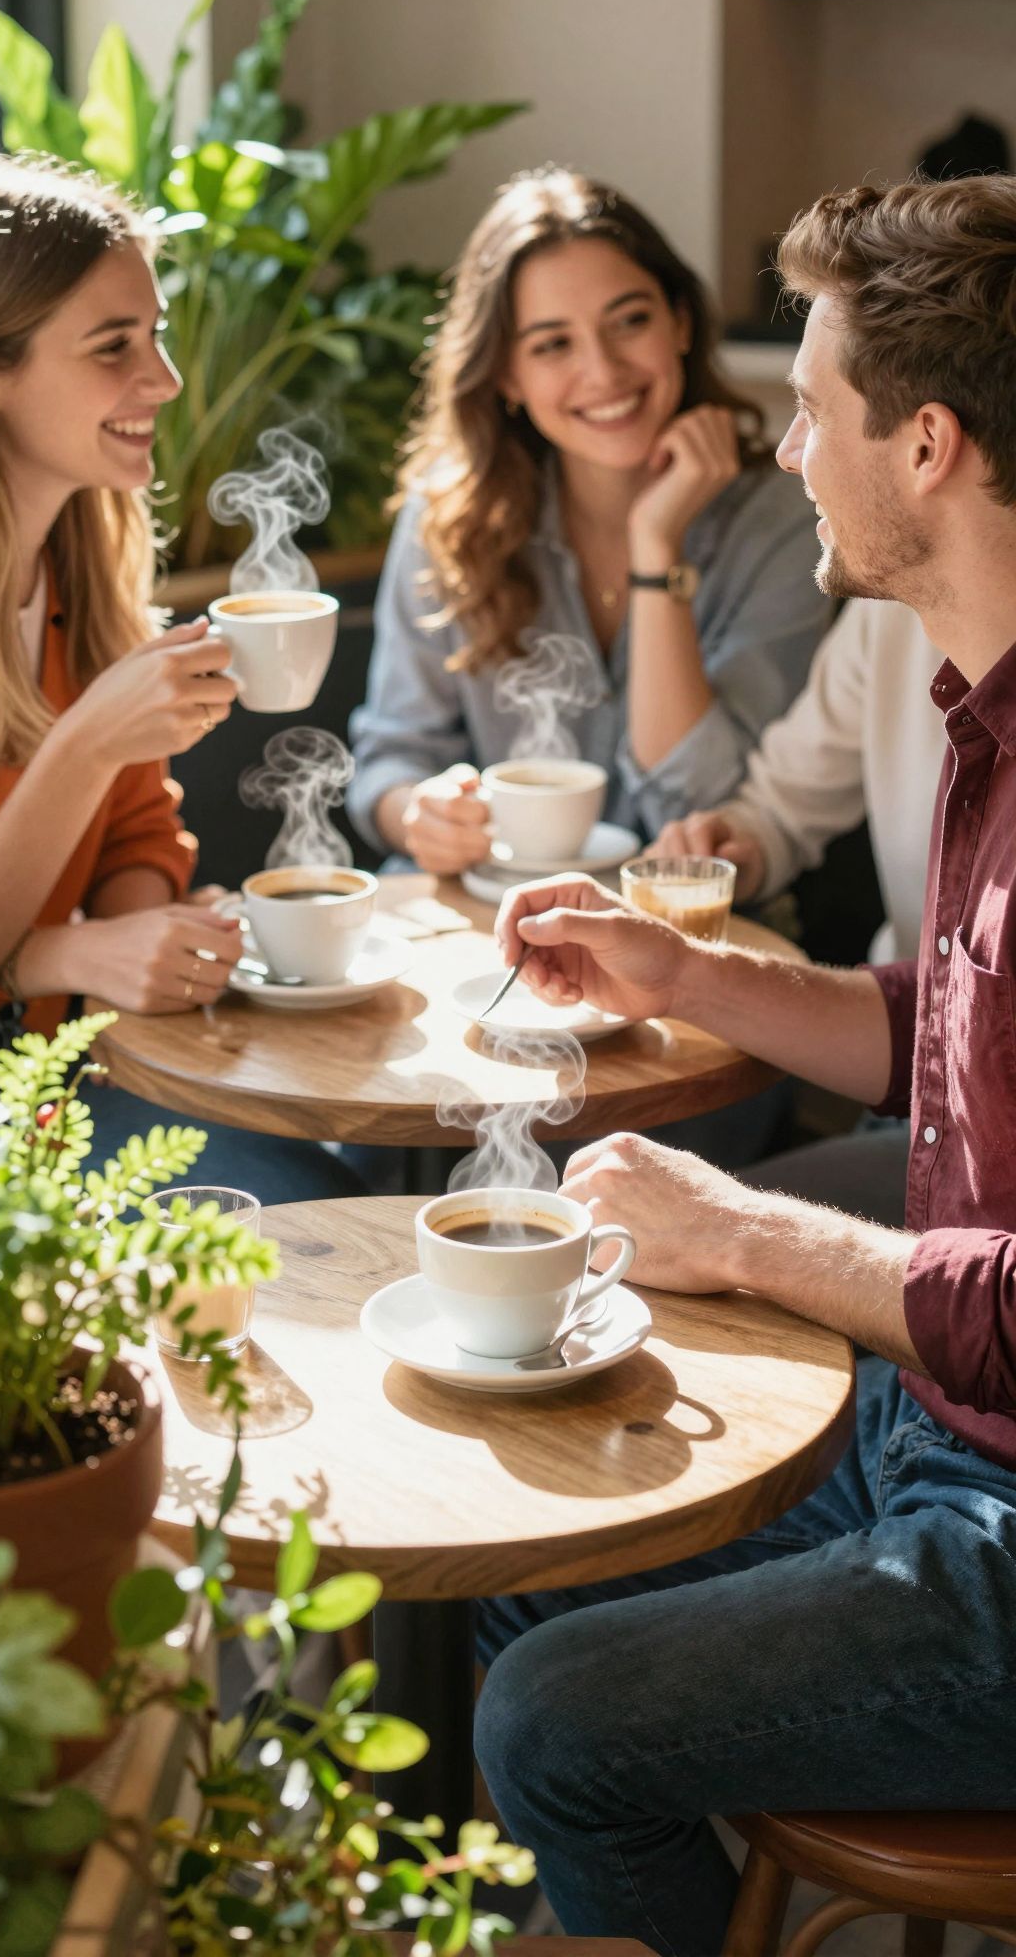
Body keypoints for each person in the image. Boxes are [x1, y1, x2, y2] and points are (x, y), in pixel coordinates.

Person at [474, 175, 1016, 1957]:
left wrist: (751, 1237)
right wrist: (681, 969)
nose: (785, 448)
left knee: (546, 1716)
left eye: (815, 405)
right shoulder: (967, 711)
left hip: (1003, 1522)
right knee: (515, 1573)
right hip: (933, 1428)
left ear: (924, 443)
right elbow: (932, 1046)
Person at [0, 155, 359, 1203]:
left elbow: (139, 835)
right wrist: (70, 938)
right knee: (295, 1206)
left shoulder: (82, 567)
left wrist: (150, 943)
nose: (166, 382)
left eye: (158, 333)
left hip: (76, 1063)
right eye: (114, 347)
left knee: (338, 1186)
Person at [347, 168, 830, 873]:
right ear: (507, 376)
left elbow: (701, 809)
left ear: (681, 323)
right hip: (483, 923)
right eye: (552, 344)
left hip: (681, 928)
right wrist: (420, 813)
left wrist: (655, 547)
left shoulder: (784, 520)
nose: (602, 372)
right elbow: (391, 759)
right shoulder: (445, 520)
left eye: (630, 321)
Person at [652, 597, 946, 1226]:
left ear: (932, 487)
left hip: (978, 1148)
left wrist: (753, 1244)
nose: (803, 491)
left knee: (662, 1245)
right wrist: (741, 839)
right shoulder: (888, 612)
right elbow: (782, 804)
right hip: (900, 1080)